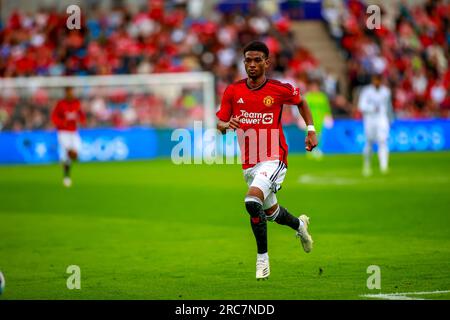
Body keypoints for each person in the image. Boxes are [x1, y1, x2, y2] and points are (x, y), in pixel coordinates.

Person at [216, 41, 318, 280]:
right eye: (248, 60)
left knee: (252, 201)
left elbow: (301, 102)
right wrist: (225, 125)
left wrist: (311, 129)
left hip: (274, 157)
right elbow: (219, 123)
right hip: (249, 162)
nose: (251, 65)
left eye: (256, 60)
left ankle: (262, 259)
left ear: (266, 63)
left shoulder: (279, 89)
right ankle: (300, 227)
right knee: (271, 213)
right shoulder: (233, 91)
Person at [358, 74, 393, 176]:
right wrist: (372, 108)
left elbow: (388, 107)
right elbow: (361, 106)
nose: (376, 82)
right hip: (369, 119)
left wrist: (390, 119)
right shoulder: (366, 91)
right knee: (369, 142)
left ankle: (384, 167)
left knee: (383, 141)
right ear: (372, 80)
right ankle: (367, 165)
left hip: (382, 119)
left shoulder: (386, 92)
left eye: (378, 80)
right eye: (375, 80)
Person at [51, 87, 86, 187]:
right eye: (69, 92)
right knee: (69, 153)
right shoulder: (60, 104)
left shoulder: (76, 103)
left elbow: (81, 114)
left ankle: (63, 161)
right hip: (63, 132)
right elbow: (54, 117)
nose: (71, 94)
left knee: (76, 153)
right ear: (66, 93)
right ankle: (66, 176)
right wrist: (61, 123)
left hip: (74, 132)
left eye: (72, 92)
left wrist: (83, 121)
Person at [303, 79, 333, 159]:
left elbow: (326, 108)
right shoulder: (307, 96)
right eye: (312, 87)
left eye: (315, 87)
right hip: (310, 119)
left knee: (319, 135)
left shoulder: (322, 97)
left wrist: (329, 116)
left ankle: (318, 150)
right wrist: (301, 118)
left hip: (320, 119)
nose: (314, 88)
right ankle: (309, 150)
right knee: (309, 134)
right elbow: (302, 108)